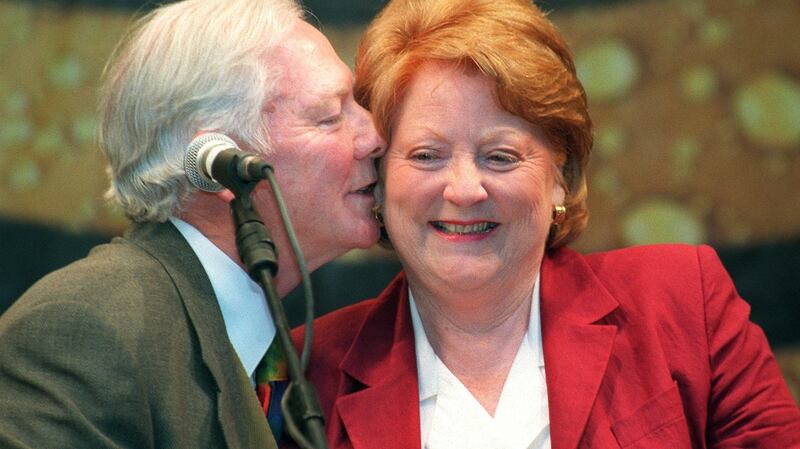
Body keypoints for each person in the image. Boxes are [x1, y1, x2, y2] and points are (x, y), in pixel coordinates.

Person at [292, 0, 800, 448]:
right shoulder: (308, 372)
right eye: (427, 155)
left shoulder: (681, 300)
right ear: (378, 180)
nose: (465, 189)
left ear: (560, 174)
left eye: (500, 156)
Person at [0, 0, 384, 447]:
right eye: (331, 115)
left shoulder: (276, 353)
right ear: (220, 166)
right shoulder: (83, 329)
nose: (375, 136)